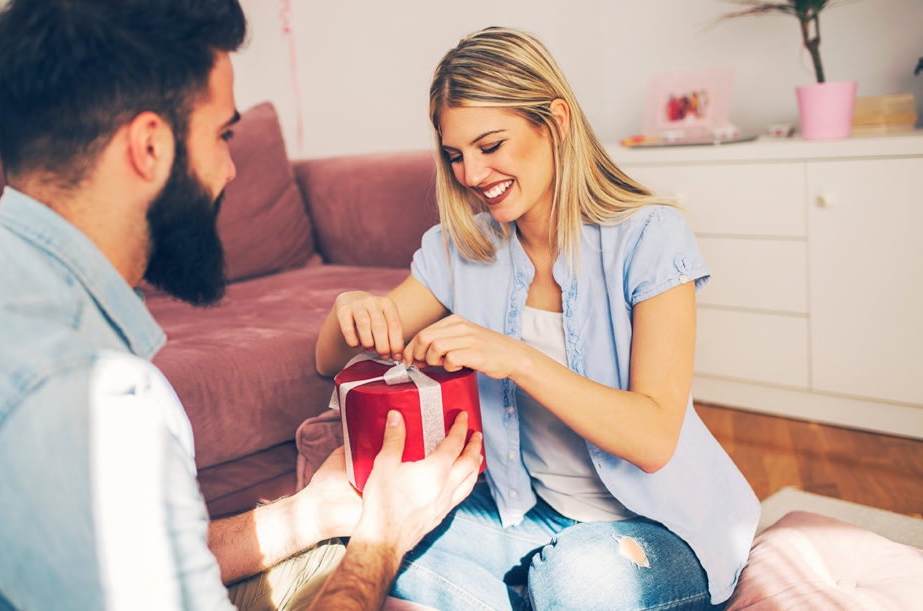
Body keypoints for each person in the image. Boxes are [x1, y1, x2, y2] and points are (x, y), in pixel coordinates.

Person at [0, 1, 482, 609]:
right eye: (223, 134)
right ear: (149, 146)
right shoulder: (95, 403)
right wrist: (383, 536)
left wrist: (306, 516)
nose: (231, 169)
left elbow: (131, 554)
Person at [315, 27, 760, 610]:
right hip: (524, 519)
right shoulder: (462, 248)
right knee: (375, 546)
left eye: (490, 145)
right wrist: (349, 306)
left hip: (658, 527)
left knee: (579, 581)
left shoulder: (651, 236)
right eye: (455, 155)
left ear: (555, 121)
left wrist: (514, 357)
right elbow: (329, 359)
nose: (471, 174)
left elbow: (652, 438)